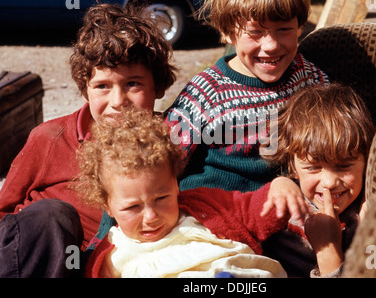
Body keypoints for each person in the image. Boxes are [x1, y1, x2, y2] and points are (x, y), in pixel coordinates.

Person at [0, 3, 176, 277]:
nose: (118, 102)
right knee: (52, 215)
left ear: (158, 86)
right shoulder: (49, 138)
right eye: (102, 86)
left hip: (108, 267)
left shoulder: (168, 145)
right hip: (36, 262)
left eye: (133, 84)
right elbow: (4, 215)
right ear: (85, 90)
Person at [77, 107, 293, 278]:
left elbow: (255, 210)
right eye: (133, 207)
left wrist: (280, 189)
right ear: (108, 207)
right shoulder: (112, 256)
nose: (151, 216)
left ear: (175, 184)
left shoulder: (203, 207)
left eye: (161, 198)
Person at [165, 0, 329, 194]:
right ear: (227, 32)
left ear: (299, 28)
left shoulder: (307, 77)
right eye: (255, 32)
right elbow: (156, 163)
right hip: (212, 212)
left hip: (283, 208)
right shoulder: (205, 92)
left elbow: (339, 138)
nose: (271, 45)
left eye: (284, 30)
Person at [261, 83, 376, 277]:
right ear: (292, 167)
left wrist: (328, 252)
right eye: (313, 168)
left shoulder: (369, 215)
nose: (329, 183)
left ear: (367, 159)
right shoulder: (281, 211)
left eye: (344, 166)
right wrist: (279, 184)